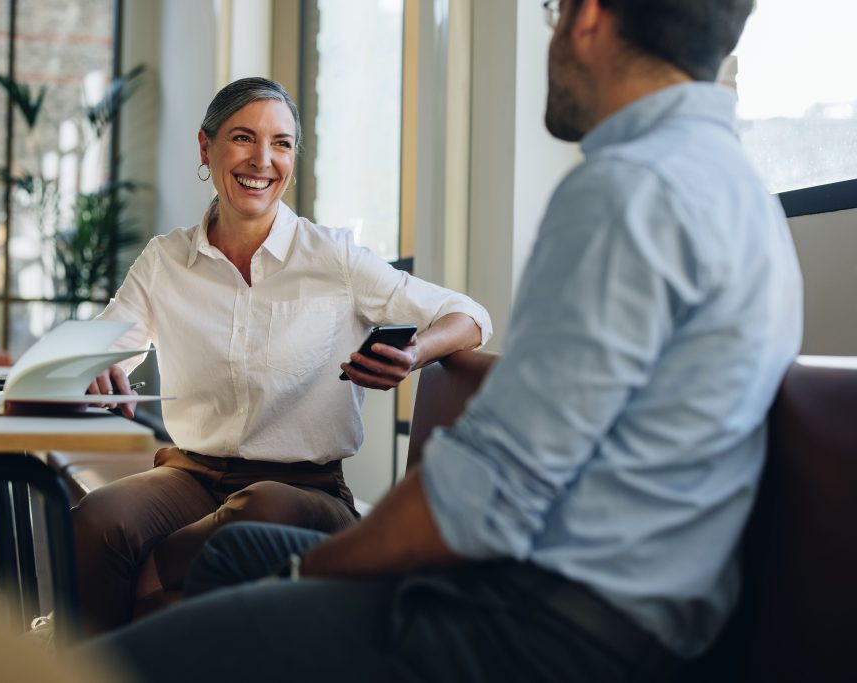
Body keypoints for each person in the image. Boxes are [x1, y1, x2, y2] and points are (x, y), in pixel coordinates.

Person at [76, 0, 803, 680]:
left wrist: (309, 578)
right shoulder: (730, 187)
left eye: (549, 10)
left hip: (539, 615)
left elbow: (482, 496)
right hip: (625, 599)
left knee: (164, 643)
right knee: (238, 552)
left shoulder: (629, 190)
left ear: (587, 18)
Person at [65, 77, 492, 636]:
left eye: (282, 144)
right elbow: (100, 346)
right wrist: (96, 364)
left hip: (304, 491)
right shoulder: (166, 259)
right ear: (205, 148)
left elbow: (469, 316)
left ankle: (144, 595)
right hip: (191, 475)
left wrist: (413, 354)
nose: (262, 160)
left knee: (259, 512)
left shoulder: (334, 257)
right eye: (242, 138)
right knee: (97, 520)